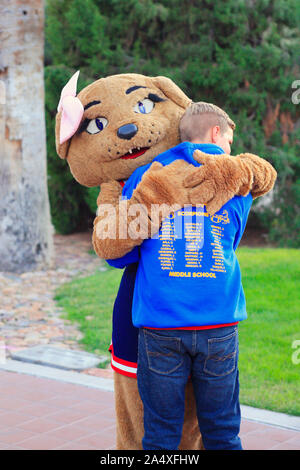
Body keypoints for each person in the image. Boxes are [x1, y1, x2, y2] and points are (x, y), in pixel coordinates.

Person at [106, 102, 256, 450]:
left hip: (160, 327)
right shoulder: (238, 180)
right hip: (218, 325)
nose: (230, 148)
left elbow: (126, 246)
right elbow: (232, 240)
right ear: (216, 132)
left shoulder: (145, 178)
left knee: (160, 434)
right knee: (222, 432)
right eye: (229, 139)